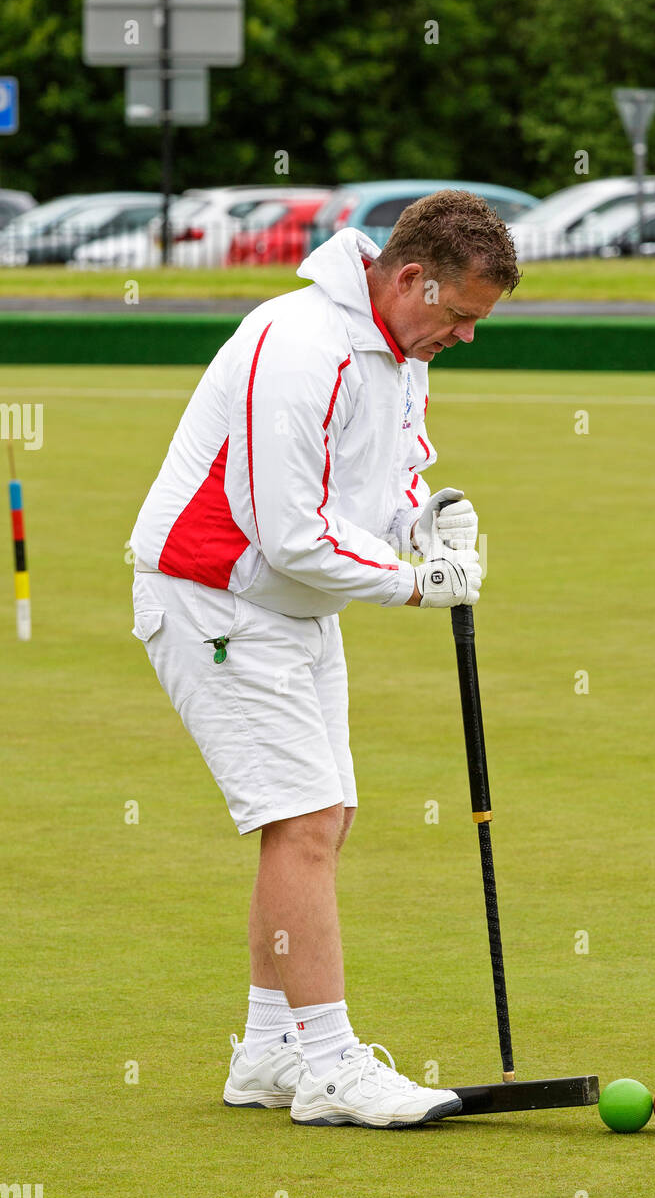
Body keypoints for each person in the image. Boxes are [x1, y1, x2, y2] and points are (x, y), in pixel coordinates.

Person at [130, 189, 521, 1128]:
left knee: (324, 815)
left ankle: (270, 1050)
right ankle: (333, 1065)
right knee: (301, 819)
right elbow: (290, 532)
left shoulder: (399, 355)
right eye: (460, 315)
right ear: (413, 278)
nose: (464, 337)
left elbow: (386, 483)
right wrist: (419, 581)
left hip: (291, 611)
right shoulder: (299, 343)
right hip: (214, 596)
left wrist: (428, 517)